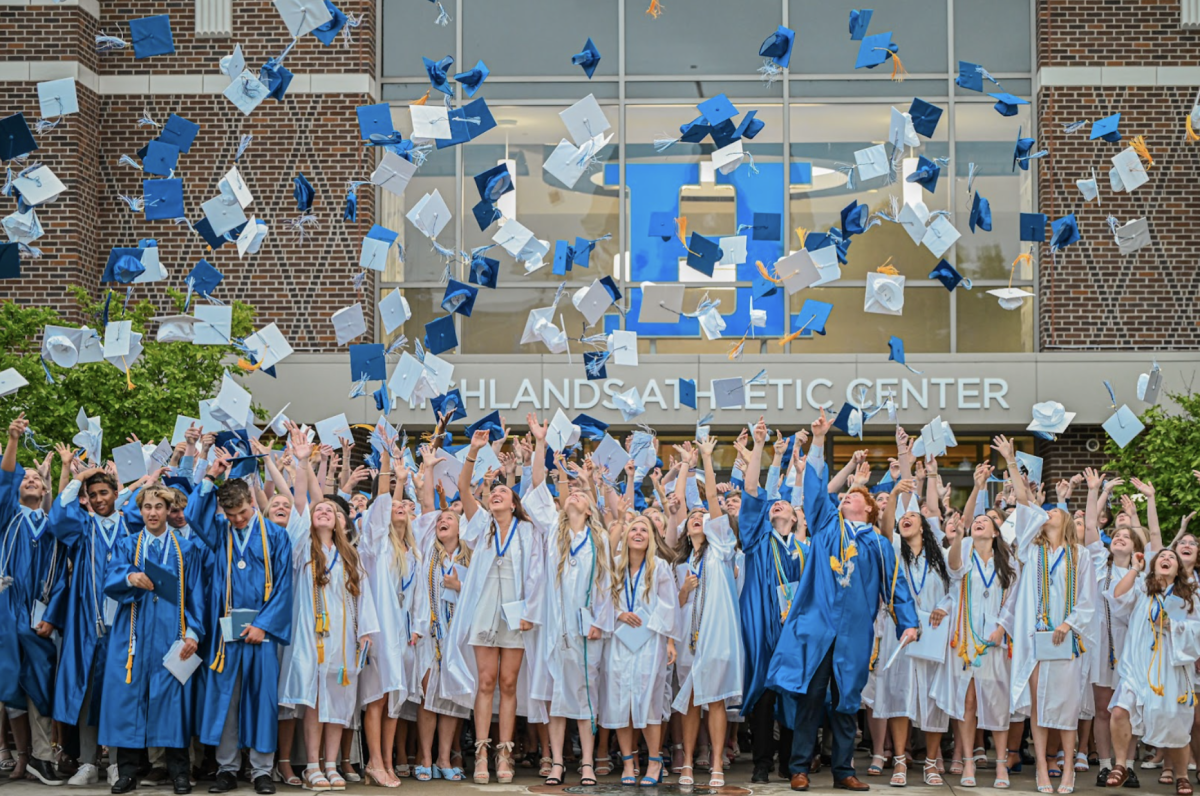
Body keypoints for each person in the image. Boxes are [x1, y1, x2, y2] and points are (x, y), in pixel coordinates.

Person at [767, 411, 919, 792]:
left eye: (853, 495)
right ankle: (799, 767)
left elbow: (896, 586)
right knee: (810, 699)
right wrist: (818, 441)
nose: (846, 497)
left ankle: (843, 771)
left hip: (853, 632)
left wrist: (908, 622)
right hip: (818, 627)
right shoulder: (824, 527)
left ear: (868, 508)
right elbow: (816, 491)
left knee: (847, 702)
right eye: (845, 494)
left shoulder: (879, 544)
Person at [443, 418, 547, 786]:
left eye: (504, 492)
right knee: (484, 682)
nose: (497, 493)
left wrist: (532, 613)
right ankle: (483, 753)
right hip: (486, 607)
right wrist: (472, 450)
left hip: (516, 611)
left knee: (508, 683)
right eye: (493, 493)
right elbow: (462, 488)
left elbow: (536, 575)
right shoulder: (481, 526)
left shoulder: (528, 531)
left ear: (515, 502)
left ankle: (505, 752)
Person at [185, 448, 295, 795]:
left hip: (261, 633)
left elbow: (283, 587)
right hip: (226, 633)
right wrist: (208, 477)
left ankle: (262, 770)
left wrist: (264, 624)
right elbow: (193, 515)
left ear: (252, 500)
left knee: (262, 700)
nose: (237, 519)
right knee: (226, 700)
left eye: (242, 512)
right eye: (231, 514)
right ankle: (227, 768)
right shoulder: (219, 532)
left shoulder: (276, 536)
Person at [994, 434, 1097, 796]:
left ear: (1066, 521)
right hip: (1034, 638)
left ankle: (1067, 767)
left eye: (1055, 509)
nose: (1049, 511)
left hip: (1063, 638)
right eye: (1046, 510)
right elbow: (1023, 501)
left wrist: (1068, 624)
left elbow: (1088, 599)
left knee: (1065, 707)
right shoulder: (1029, 550)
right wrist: (1010, 460)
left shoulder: (1080, 556)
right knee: (1038, 704)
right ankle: (1040, 766)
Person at [99, 486, 206, 795]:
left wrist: (194, 632)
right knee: (129, 699)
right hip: (133, 634)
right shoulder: (128, 544)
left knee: (174, 702)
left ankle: (179, 772)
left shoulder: (185, 549)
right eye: (147, 506)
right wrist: (129, 578)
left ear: (169, 510)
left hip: (172, 634)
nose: (153, 512)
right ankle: (128, 772)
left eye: (160, 506)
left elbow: (196, 595)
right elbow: (111, 579)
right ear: (141, 510)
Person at [524, 442, 614, 788]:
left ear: (591, 509)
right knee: (558, 697)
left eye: (581, 495)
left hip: (586, 630)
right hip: (557, 630)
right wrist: (540, 444)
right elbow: (536, 487)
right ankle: (559, 762)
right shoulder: (552, 535)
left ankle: (588, 763)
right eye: (570, 494)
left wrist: (598, 622)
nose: (574, 495)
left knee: (585, 695)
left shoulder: (599, 540)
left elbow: (607, 586)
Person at [49, 457, 134, 787]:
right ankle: (88, 762)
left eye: (104, 493)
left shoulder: (131, 526)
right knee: (84, 691)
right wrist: (79, 475)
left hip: (124, 622)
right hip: (87, 623)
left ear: (115, 493)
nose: (99, 500)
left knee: (117, 692)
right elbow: (58, 516)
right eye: (92, 494)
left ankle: (115, 762)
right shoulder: (83, 527)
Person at [940, 464, 1018, 789]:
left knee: (998, 704)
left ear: (997, 531)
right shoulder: (964, 552)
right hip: (966, 643)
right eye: (977, 522)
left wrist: (1002, 628)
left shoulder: (1008, 562)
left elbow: (1013, 601)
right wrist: (976, 486)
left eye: (987, 521)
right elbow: (963, 527)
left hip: (995, 641)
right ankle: (969, 762)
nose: (980, 522)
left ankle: (1001, 765)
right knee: (968, 703)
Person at [738, 421, 807, 784]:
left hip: (793, 631)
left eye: (785, 503)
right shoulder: (757, 539)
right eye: (773, 504)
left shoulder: (806, 551)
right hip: (762, 625)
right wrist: (761, 446)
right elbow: (752, 488)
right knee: (764, 698)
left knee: (793, 697)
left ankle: (791, 764)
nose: (777, 503)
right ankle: (762, 763)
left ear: (795, 516)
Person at [670, 439, 742, 789]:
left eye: (703, 518)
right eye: (692, 518)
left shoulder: (722, 551)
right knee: (690, 701)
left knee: (714, 701)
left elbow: (713, 502)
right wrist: (683, 592)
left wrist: (708, 461)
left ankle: (715, 763)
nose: (698, 519)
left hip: (716, 637)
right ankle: (685, 762)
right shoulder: (682, 564)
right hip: (688, 639)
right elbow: (674, 607)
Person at [0, 415, 66, 786]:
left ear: (44, 491)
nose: (29, 479)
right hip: (7, 612)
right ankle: (19, 757)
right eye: (25, 478)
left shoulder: (53, 526)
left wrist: (52, 616)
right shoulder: (7, 516)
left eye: (36, 478)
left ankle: (41, 757)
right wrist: (13, 440)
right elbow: (5, 479)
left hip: (39, 618)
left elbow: (60, 581)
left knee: (39, 685)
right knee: (6, 684)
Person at [1104, 547, 1200, 793]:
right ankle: (1121, 765)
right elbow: (1116, 596)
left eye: (1172, 558)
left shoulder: (1188, 597)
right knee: (1119, 711)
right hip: (1137, 667)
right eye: (1162, 557)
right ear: (1153, 565)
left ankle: (1181, 775)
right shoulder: (1141, 589)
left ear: (1178, 569)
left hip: (1171, 670)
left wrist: (1173, 626)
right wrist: (1136, 568)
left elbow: (1197, 631)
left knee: (1175, 723)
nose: (1166, 559)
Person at [601, 514, 679, 786]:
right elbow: (599, 601)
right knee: (621, 702)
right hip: (619, 642)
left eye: (643, 530)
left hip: (649, 642)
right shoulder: (614, 567)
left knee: (649, 702)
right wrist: (619, 614)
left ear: (650, 538)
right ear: (625, 535)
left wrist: (668, 641)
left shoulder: (659, 567)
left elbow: (669, 606)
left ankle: (654, 763)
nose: (638, 533)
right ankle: (627, 762)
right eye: (633, 529)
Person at [1081, 467, 1142, 787]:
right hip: (1101, 643)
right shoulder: (1096, 560)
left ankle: (1127, 764)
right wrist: (1095, 490)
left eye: (1126, 537)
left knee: (1128, 708)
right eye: (1116, 535)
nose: (1119, 537)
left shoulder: (1142, 575)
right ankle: (1105, 765)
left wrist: (1133, 516)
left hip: (1131, 645)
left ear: (1134, 548)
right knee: (1103, 708)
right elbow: (1091, 524)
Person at [410, 465, 471, 782]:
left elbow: (478, 596)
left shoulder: (470, 560)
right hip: (429, 636)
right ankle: (425, 754)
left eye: (450, 519)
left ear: (461, 529)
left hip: (457, 639)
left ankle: (445, 757)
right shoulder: (425, 552)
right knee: (428, 695)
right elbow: (426, 509)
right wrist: (429, 469)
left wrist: (460, 586)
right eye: (440, 520)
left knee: (452, 699)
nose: (442, 521)